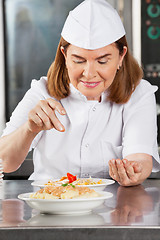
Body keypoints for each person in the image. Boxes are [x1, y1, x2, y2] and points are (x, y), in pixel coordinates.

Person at [0, 0, 159, 186]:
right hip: (50, 206)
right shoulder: (43, 92)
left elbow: (140, 157)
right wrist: (29, 129)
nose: (89, 73)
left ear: (121, 56)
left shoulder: (139, 93)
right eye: (78, 60)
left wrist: (133, 171)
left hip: (114, 208)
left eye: (102, 61)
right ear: (64, 56)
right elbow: (5, 162)